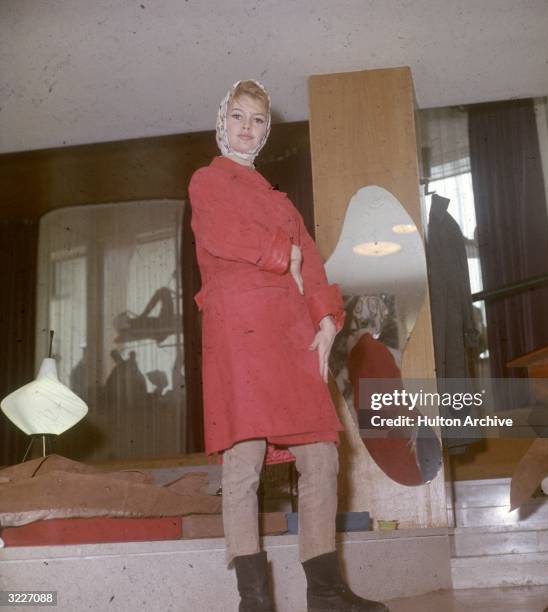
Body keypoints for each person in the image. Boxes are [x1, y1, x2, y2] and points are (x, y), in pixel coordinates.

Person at [188, 79, 388, 612]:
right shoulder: (207, 181)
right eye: (238, 116)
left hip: (292, 334)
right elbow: (221, 238)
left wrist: (325, 320)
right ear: (221, 121)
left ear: (266, 133)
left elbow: (313, 260)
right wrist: (285, 257)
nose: (246, 128)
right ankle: (254, 600)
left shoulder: (281, 200)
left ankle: (326, 593)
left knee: (322, 454)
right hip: (242, 334)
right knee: (243, 464)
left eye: (257, 120)